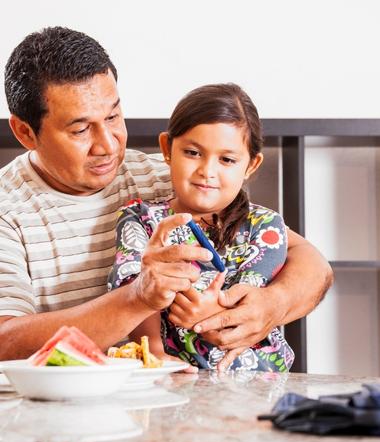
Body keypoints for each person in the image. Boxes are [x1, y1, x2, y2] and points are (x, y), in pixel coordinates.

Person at [0, 27, 333, 368]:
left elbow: (311, 262)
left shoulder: (175, 177)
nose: (109, 145)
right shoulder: (7, 209)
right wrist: (137, 298)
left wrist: (270, 304)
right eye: (80, 130)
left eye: (113, 116)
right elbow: (4, 341)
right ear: (25, 131)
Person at [108, 83, 295, 371]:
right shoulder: (139, 219)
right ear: (167, 149)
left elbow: (252, 295)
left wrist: (211, 314)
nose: (207, 171)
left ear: (251, 165)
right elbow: (134, 289)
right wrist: (155, 353)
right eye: (193, 153)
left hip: (254, 377)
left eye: (227, 160)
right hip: (173, 377)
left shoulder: (266, 227)